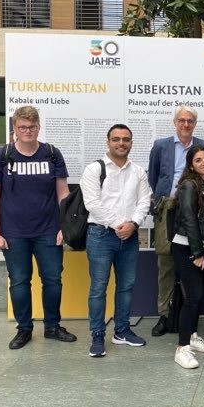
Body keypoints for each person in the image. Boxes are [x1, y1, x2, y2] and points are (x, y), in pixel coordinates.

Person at [0, 105, 76, 350]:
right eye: (22, 127)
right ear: (14, 128)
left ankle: (52, 326)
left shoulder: (52, 154)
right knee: (20, 281)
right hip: (13, 233)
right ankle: (24, 329)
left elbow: (63, 194)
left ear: (38, 127)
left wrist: (65, 227)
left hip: (48, 231)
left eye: (32, 127)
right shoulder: (1, 156)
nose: (27, 131)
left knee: (53, 280)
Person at [82, 124, 152, 358]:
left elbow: (145, 201)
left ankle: (121, 331)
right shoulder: (94, 169)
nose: (121, 143)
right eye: (116, 139)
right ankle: (97, 335)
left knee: (126, 286)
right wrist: (117, 225)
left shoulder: (138, 172)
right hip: (101, 236)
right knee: (98, 288)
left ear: (131, 142)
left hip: (129, 237)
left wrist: (133, 224)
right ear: (108, 142)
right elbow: (92, 203)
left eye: (126, 139)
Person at [148, 106, 204, 338]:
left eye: (190, 121)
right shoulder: (160, 146)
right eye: (182, 120)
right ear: (175, 122)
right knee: (166, 264)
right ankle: (165, 315)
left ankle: (188, 318)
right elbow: (154, 176)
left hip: (197, 209)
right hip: (168, 207)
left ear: (195, 124)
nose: (186, 124)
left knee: (191, 265)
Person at [170, 146, 204, 369]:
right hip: (187, 248)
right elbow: (189, 219)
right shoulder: (189, 185)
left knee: (197, 297)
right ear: (191, 164)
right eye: (198, 160)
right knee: (193, 297)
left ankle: (191, 335)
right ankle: (182, 349)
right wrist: (197, 252)